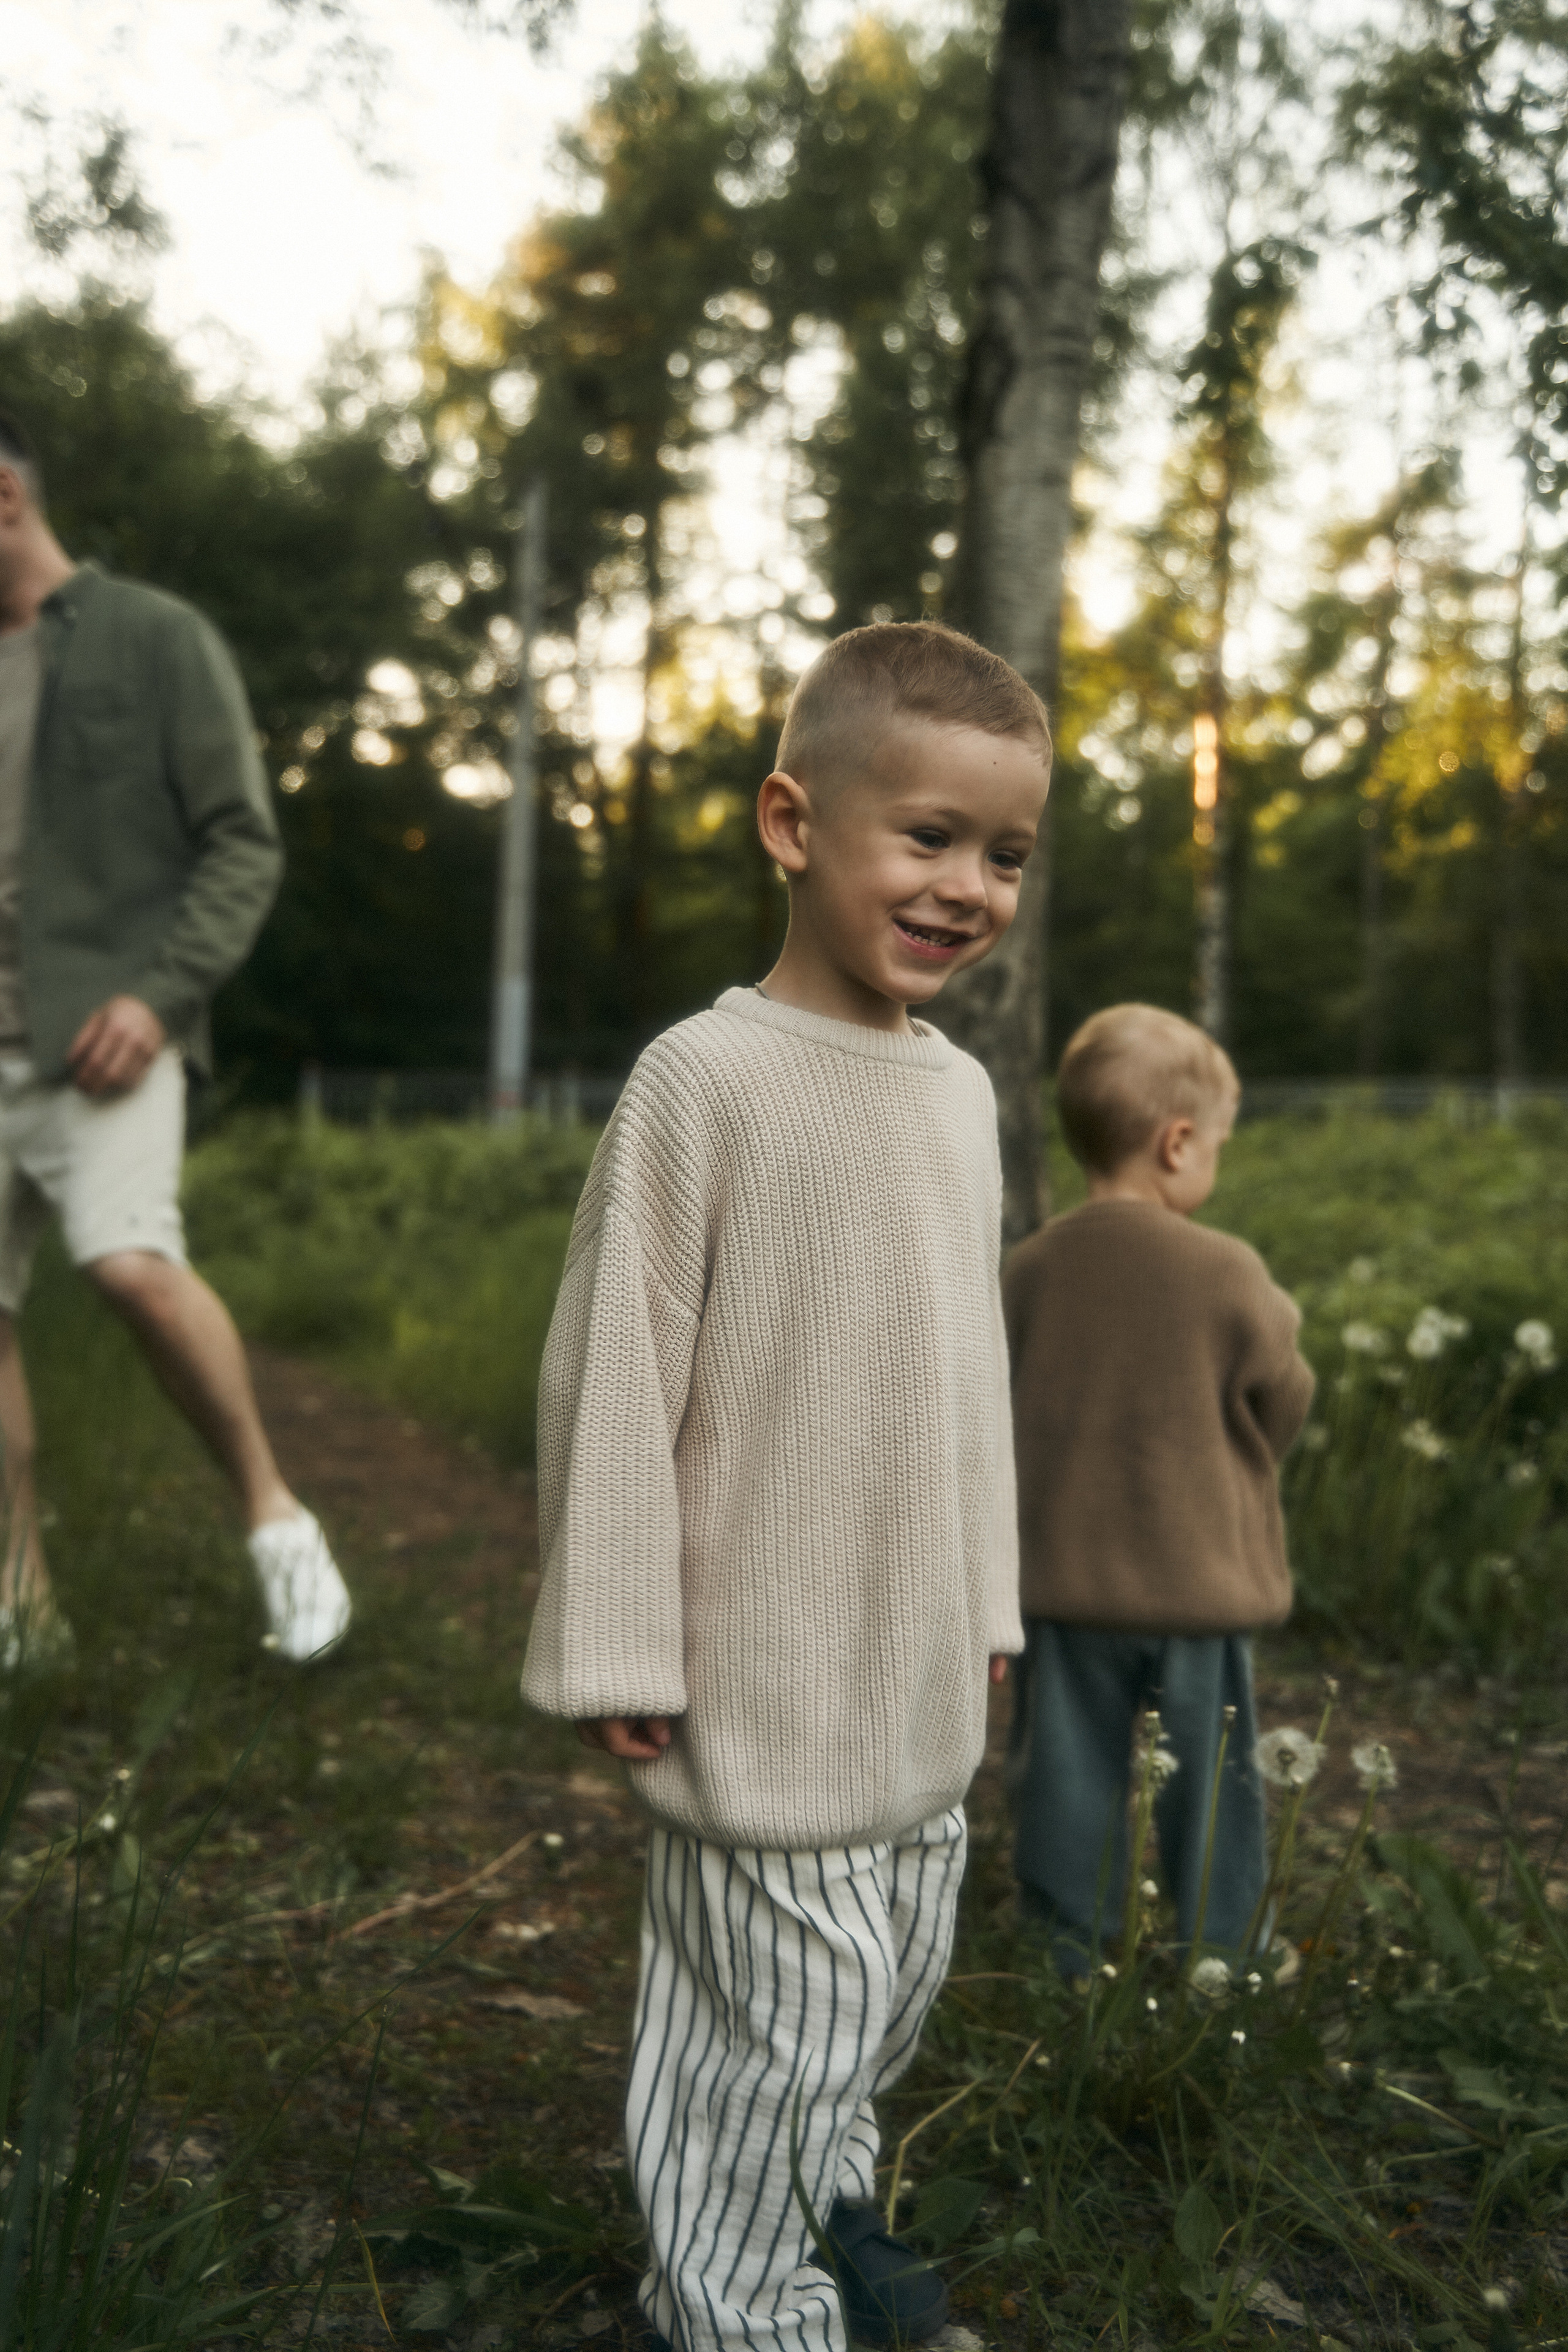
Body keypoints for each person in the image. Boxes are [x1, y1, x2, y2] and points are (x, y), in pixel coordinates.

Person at [522, 620, 1050, 2352]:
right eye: (930, 835)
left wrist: (987, 1607)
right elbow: (616, 1376)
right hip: (753, 1656)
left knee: (885, 1995)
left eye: (1007, 854)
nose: (968, 884)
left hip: (911, 1657)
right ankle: (742, 2307)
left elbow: (963, 1383)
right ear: (791, 823)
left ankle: (823, 2205)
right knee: (768, 2022)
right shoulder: (708, 1078)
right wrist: (616, 1643)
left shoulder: (964, 1095)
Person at [0, 404, 350, 1668]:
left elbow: (241, 842)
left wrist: (158, 996)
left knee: (127, 1263)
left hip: (106, 1039)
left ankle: (273, 1514)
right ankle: (19, 1609)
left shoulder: (154, 640)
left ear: (6, 499)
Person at [1002, 1003, 1315, 1981]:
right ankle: (1223, 1952)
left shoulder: (1028, 1269)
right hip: (1196, 1589)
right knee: (1214, 1783)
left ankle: (1066, 1956)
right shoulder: (1228, 1271)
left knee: (1065, 1776)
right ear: (1178, 1143)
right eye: (1217, 1141)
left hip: (1063, 1589)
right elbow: (1284, 1399)